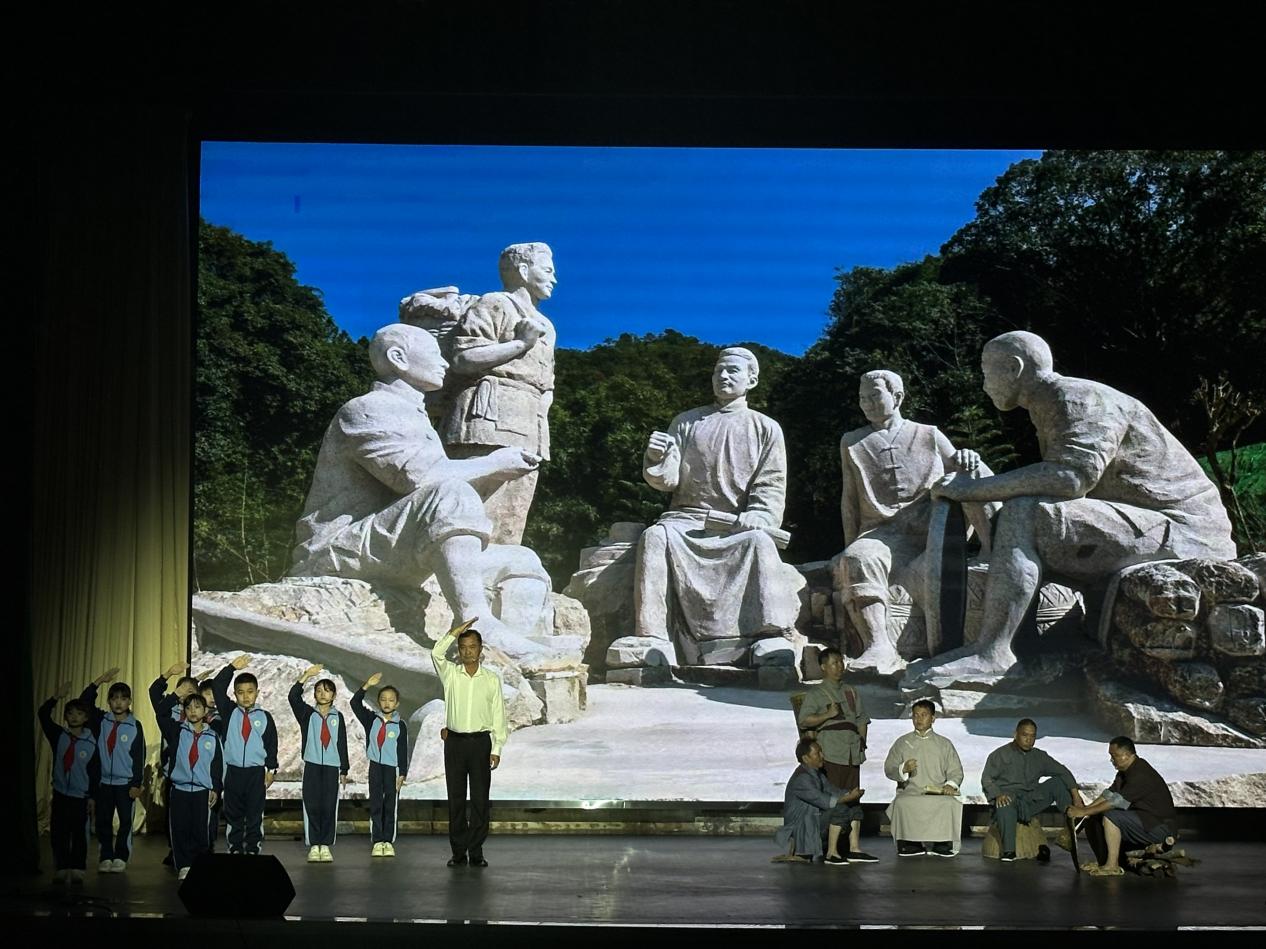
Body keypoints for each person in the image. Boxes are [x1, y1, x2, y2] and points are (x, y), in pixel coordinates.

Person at [925, 330, 1236, 680]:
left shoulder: (1079, 398)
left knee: (1024, 513)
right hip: (1154, 524)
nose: (984, 385)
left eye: (986, 373)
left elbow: (1072, 478)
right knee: (1029, 513)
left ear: (1014, 368)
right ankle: (1017, 646)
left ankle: (993, 652)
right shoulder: (1050, 403)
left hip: (1185, 530)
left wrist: (973, 489)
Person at [289, 322, 562, 666]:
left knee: (522, 560)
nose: (445, 363)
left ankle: (515, 653)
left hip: (389, 543)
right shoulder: (368, 409)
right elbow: (420, 479)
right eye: (435, 353)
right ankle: (475, 624)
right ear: (398, 357)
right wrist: (494, 463)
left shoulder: (413, 415)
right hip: (339, 547)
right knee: (452, 494)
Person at [636, 347, 804, 665]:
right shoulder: (685, 422)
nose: (723, 376)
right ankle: (651, 636)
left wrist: (759, 514)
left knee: (758, 542)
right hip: (685, 520)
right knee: (654, 537)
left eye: (732, 371)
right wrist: (656, 458)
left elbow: (770, 484)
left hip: (734, 524)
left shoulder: (765, 427)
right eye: (718, 371)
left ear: (752, 380)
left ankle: (769, 636)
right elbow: (668, 480)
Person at [832, 370, 995, 674]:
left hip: (934, 528)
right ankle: (878, 646)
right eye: (862, 398)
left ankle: (993, 549)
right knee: (857, 557)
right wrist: (847, 547)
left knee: (972, 472)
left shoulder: (928, 434)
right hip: (882, 534)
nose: (867, 403)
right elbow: (849, 499)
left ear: (897, 397)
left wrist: (967, 456)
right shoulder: (852, 442)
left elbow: (961, 468)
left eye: (874, 395)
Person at [435, 242, 558, 545]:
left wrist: (543, 407)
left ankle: (501, 566)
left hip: (531, 423)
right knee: (472, 503)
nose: (554, 279)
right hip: (487, 414)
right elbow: (463, 358)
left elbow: (548, 380)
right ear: (523, 270)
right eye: (548, 270)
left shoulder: (548, 326)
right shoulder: (495, 303)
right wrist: (520, 344)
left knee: (513, 511)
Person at [432, 619, 508, 868]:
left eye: (472, 647)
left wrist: (496, 748)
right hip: (454, 742)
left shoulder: (491, 679)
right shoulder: (451, 674)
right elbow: (436, 653)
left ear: (480, 649)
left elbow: (498, 716)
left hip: (480, 743)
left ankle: (475, 851)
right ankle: (458, 852)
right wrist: (454, 632)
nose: (467, 651)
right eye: (463, 647)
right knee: (455, 799)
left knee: (479, 800)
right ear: (459, 650)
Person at [795, 647, 874, 862]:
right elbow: (804, 720)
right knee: (836, 799)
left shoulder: (851, 691)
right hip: (831, 751)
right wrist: (827, 714)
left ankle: (854, 848)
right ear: (823, 667)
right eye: (834, 663)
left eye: (840, 662)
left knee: (854, 797)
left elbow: (861, 719)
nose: (839, 667)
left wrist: (862, 742)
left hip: (851, 751)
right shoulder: (816, 693)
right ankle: (832, 850)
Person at [1066, 736, 1178, 877]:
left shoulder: (1141, 774)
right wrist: (1085, 811)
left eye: (1114, 756)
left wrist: (1084, 811)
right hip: (1143, 821)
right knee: (1093, 817)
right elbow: (1108, 795)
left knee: (1111, 816)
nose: (1112, 760)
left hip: (1159, 828)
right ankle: (1103, 862)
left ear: (1127, 755)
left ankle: (1112, 865)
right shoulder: (1124, 772)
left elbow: (1116, 802)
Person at [981, 718, 1082, 862]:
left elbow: (1063, 771)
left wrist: (1076, 797)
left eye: (1032, 736)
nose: (1028, 740)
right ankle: (1009, 851)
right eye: (1024, 735)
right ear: (1015, 734)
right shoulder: (1000, 754)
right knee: (1004, 803)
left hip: (1031, 800)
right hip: (1009, 800)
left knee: (1058, 783)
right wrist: (998, 794)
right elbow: (987, 778)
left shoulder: (1039, 756)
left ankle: (1071, 823)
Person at [210, 654, 279, 855]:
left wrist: (271, 770)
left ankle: (253, 847)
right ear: (235, 694)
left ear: (257, 693)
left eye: (250, 692)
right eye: (240, 692)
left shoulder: (265, 717)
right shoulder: (229, 711)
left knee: (255, 813)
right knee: (233, 813)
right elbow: (216, 686)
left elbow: (271, 745)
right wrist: (231, 667)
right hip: (233, 772)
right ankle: (235, 847)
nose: (246, 696)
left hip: (255, 773)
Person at [152, 689, 223, 880]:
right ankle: (184, 864)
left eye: (197, 707)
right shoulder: (176, 731)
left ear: (205, 711)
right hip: (180, 789)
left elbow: (217, 765)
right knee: (180, 828)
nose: (192, 711)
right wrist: (176, 695)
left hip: (202, 790)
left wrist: (215, 788)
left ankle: (199, 863)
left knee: (200, 830)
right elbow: (160, 713)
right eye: (188, 707)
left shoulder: (212, 737)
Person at [38, 681, 101, 885]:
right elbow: (42, 715)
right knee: (59, 832)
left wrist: (92, 797)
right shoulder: (59, 736)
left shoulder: (91, 743)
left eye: (79, 714)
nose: (74, 717)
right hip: (60, 793)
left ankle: (78, 867)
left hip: (80, 796)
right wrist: (55, 697)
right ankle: (62, 866)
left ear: (86, 718)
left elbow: (95, 772)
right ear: (65, 716)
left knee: (79, 833)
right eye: (70, 713)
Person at [82, 672, 145, 873]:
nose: (118, 703)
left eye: (123, 698)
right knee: (103, 822)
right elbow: (84, 703)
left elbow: (139, 757)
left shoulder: (134, 726)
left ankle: (121, 857)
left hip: (125, 783)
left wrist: (136, 783)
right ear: (109, 701)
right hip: (104, 782)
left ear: (129, 702)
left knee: (125, 822)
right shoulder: (102, 720)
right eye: (114, 698)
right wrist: (98, 682)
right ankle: (106, 856)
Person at [883, 699, 963, 857]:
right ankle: (909, 843)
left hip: (937, 791)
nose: (918, 719)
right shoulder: (902, 742)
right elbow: (889, 768)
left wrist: (950, 785)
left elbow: (956, 770)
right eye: (915, 715)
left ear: (933, 718)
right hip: (911, 790)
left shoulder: (944, 744)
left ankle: (942, 843)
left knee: (948, 803)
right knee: (903, 803)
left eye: (924, 715)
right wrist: (903, 769)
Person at [774, 739, 872, 865]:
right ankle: (831, 853)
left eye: (821, 752)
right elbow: (823, 801)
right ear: (806, 758)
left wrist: (850, 794)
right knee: (839, 809)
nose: (822, 756)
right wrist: (848, 797)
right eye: (817, 753)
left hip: (813, 820)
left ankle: (854, 849)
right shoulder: (802, 778)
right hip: (803, 826)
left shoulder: (817, 774)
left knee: (853, 806)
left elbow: (833, 791)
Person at [290, 665, 350, 863]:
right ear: (314, 694)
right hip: (312, 765)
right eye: (318, 690)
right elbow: (293, 697)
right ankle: (314, 844)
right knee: (312, 804)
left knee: (329, 806)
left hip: (332, 767)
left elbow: (342, 742)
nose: (323, 694)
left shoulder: (338, 717)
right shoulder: (307, 714)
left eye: (327, 690)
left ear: (334, 695)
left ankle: (325, 845)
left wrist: (344, 769)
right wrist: (306, 675)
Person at [351, 672, 410, 856]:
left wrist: (402, 773)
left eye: (391, 700)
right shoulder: (371, 720)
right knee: (376, 803)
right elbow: (354, 703)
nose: (387, 703)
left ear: (397, 704)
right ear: (378, 702)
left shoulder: (400, 725)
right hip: (376, 766)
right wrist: (367, 685)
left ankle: (388, 841)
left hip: (393, 769)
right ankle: (378, 841)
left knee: (390, 805)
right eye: (383, 699)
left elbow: (403, 750)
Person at [148, 662, 200, 868]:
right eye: (183, 690)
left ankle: (198, 851)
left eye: (191, 691)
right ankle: (175, 850)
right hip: (174, 771)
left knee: (196, 817)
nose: (186, 694)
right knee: (175, 816)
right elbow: (154, 695)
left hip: (197, 773)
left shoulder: (200, 714)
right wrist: (168, 674)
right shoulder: (168, 710)